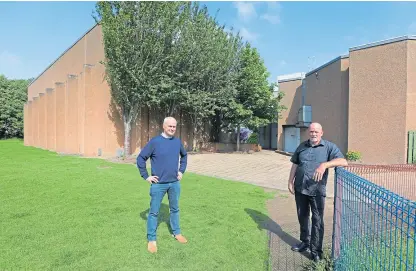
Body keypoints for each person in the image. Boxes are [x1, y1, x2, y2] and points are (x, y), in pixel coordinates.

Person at [287, 122, 348, 262]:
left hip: (317, 191)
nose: (313, 134)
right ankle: (305, 242)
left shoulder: (329, 147)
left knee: (317, 221)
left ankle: (316, 251)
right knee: (302, 216)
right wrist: (290, 181)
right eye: (311, 131)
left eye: (316, 132)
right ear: (309, 132)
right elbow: (295, 164)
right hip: (300, 189)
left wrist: (325, 164)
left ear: (322, 133)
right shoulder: (302, 146)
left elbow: (343, 161)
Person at [137, 116, 188, 253]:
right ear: (164, 126)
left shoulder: (177, 142)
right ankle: (152, 239)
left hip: (174, 183)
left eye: (174, 126)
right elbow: (141, 158)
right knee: (153, 212)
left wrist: (181, 171)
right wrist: (146, 176)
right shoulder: (155, 142)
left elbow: (184, 156)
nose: (172, 129)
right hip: (158, 185)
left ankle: (177, 233)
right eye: (170, 126)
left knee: (175, 209)